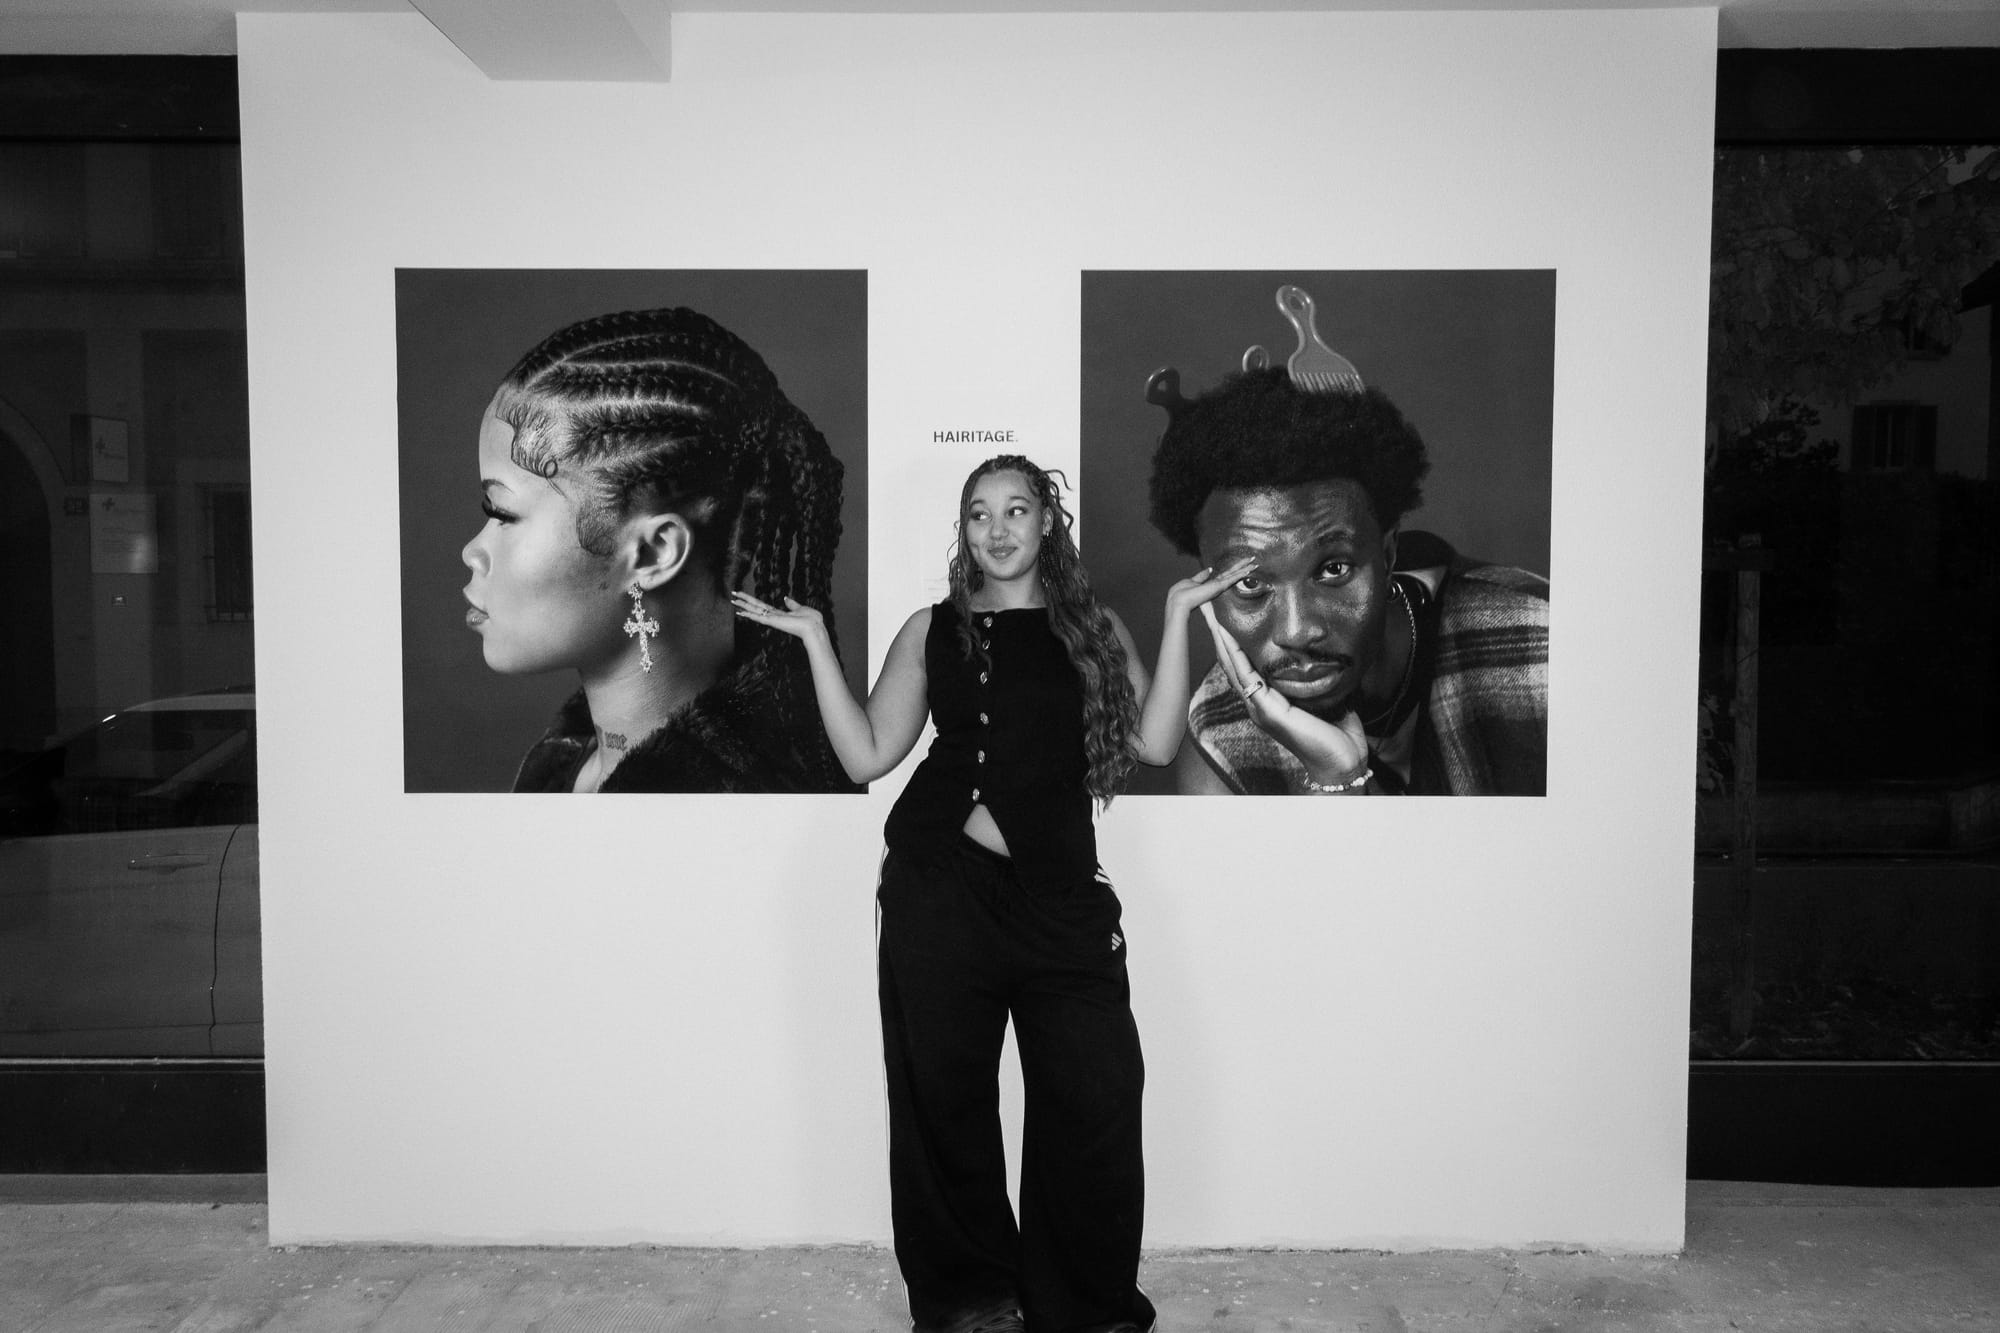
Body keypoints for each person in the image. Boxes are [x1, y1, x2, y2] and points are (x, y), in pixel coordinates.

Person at [735, 455, 1251, 1333]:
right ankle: (972, 1299)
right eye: (980, 513)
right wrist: (818, 640)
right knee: (945, 1103)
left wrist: (1176, 614)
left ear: (1048, 521)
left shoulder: (1091, 629)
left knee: (1093, 1095)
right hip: (939, 892)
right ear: (964, 528)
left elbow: (1160, 743)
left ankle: (1084, 1305)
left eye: (1018, 509)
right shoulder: (931, 629)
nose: (999, 529)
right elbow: (866, 754)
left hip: (1058, 898)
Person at [459, 305, 857, 793]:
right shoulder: (561, 764)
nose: (471, 553)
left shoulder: (739, 802)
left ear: (653, 554)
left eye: (501, 514)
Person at [1147, 359, 1549, 796]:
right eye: (1249, 583)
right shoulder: (1220, 740)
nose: (1298, 631)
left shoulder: (1539, 645)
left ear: (1389, 552)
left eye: (1333, 569)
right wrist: (1339, 780)